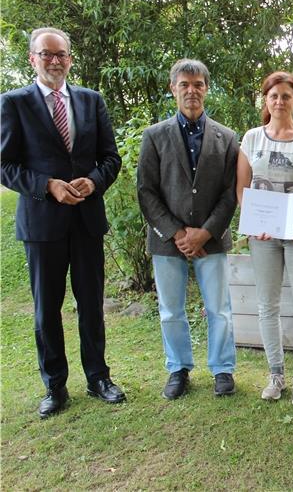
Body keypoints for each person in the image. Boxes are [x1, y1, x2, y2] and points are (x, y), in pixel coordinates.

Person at [1, 27, 125, 418]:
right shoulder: (13, 104)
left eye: (61, 54)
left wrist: (96, 181)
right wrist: (46, 185)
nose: (55, 60)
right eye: (46, 54)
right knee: (47, 309)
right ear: (32, 59)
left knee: (91, 305)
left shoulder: (91, 101)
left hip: (87, 221)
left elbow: (111, 158)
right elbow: (5, 166)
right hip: (42, 225)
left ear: (70, 58)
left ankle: (98, 378)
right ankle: (55, 386)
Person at [137, 59, 239, 400]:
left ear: (207, 88)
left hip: (212, 238)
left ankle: (222, 369)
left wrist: (205, 232)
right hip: (168, 241)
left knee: (220, 308)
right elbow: (146, 191)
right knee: (170, 310)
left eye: (198, 84)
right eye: (185, 84)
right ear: (173, 89)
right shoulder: (154, 136)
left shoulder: (226, 138)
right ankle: (178, 367)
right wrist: (177, 233)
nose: (191, 91)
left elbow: (230, 192)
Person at [235, 72, 293, 405]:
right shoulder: (252, 138)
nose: (279, 101)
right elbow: (242, 189)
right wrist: (254, 221)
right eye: (274, 96)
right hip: (264, 236)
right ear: (266, 100)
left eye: (286, 96)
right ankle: (275, 374)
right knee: (266, 306)